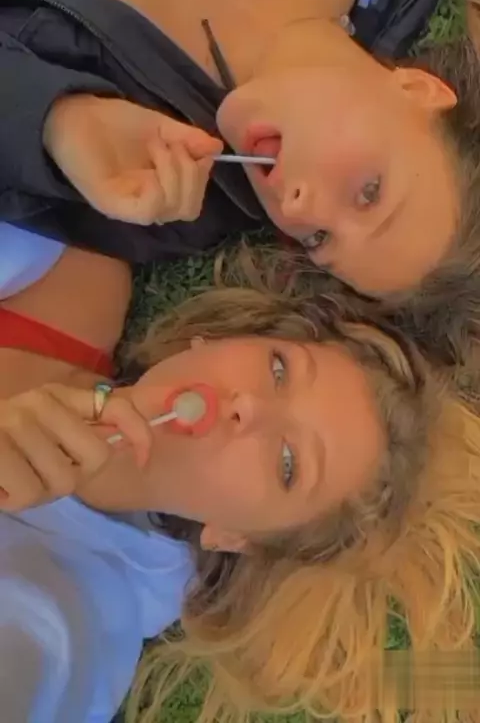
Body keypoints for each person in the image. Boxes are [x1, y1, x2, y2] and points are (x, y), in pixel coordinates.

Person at [1, 236, 480, 723]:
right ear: (220, 338)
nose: (247, 406)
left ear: (235, 536)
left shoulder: (69, 616)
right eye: (279, 370)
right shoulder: (77, 274)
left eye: (288, 465)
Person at [0, 0, 469, 290]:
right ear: (418, 90)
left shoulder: (156, 191)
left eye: (318, 238)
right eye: (369, 192)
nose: (297, 208)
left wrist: (57, 122)